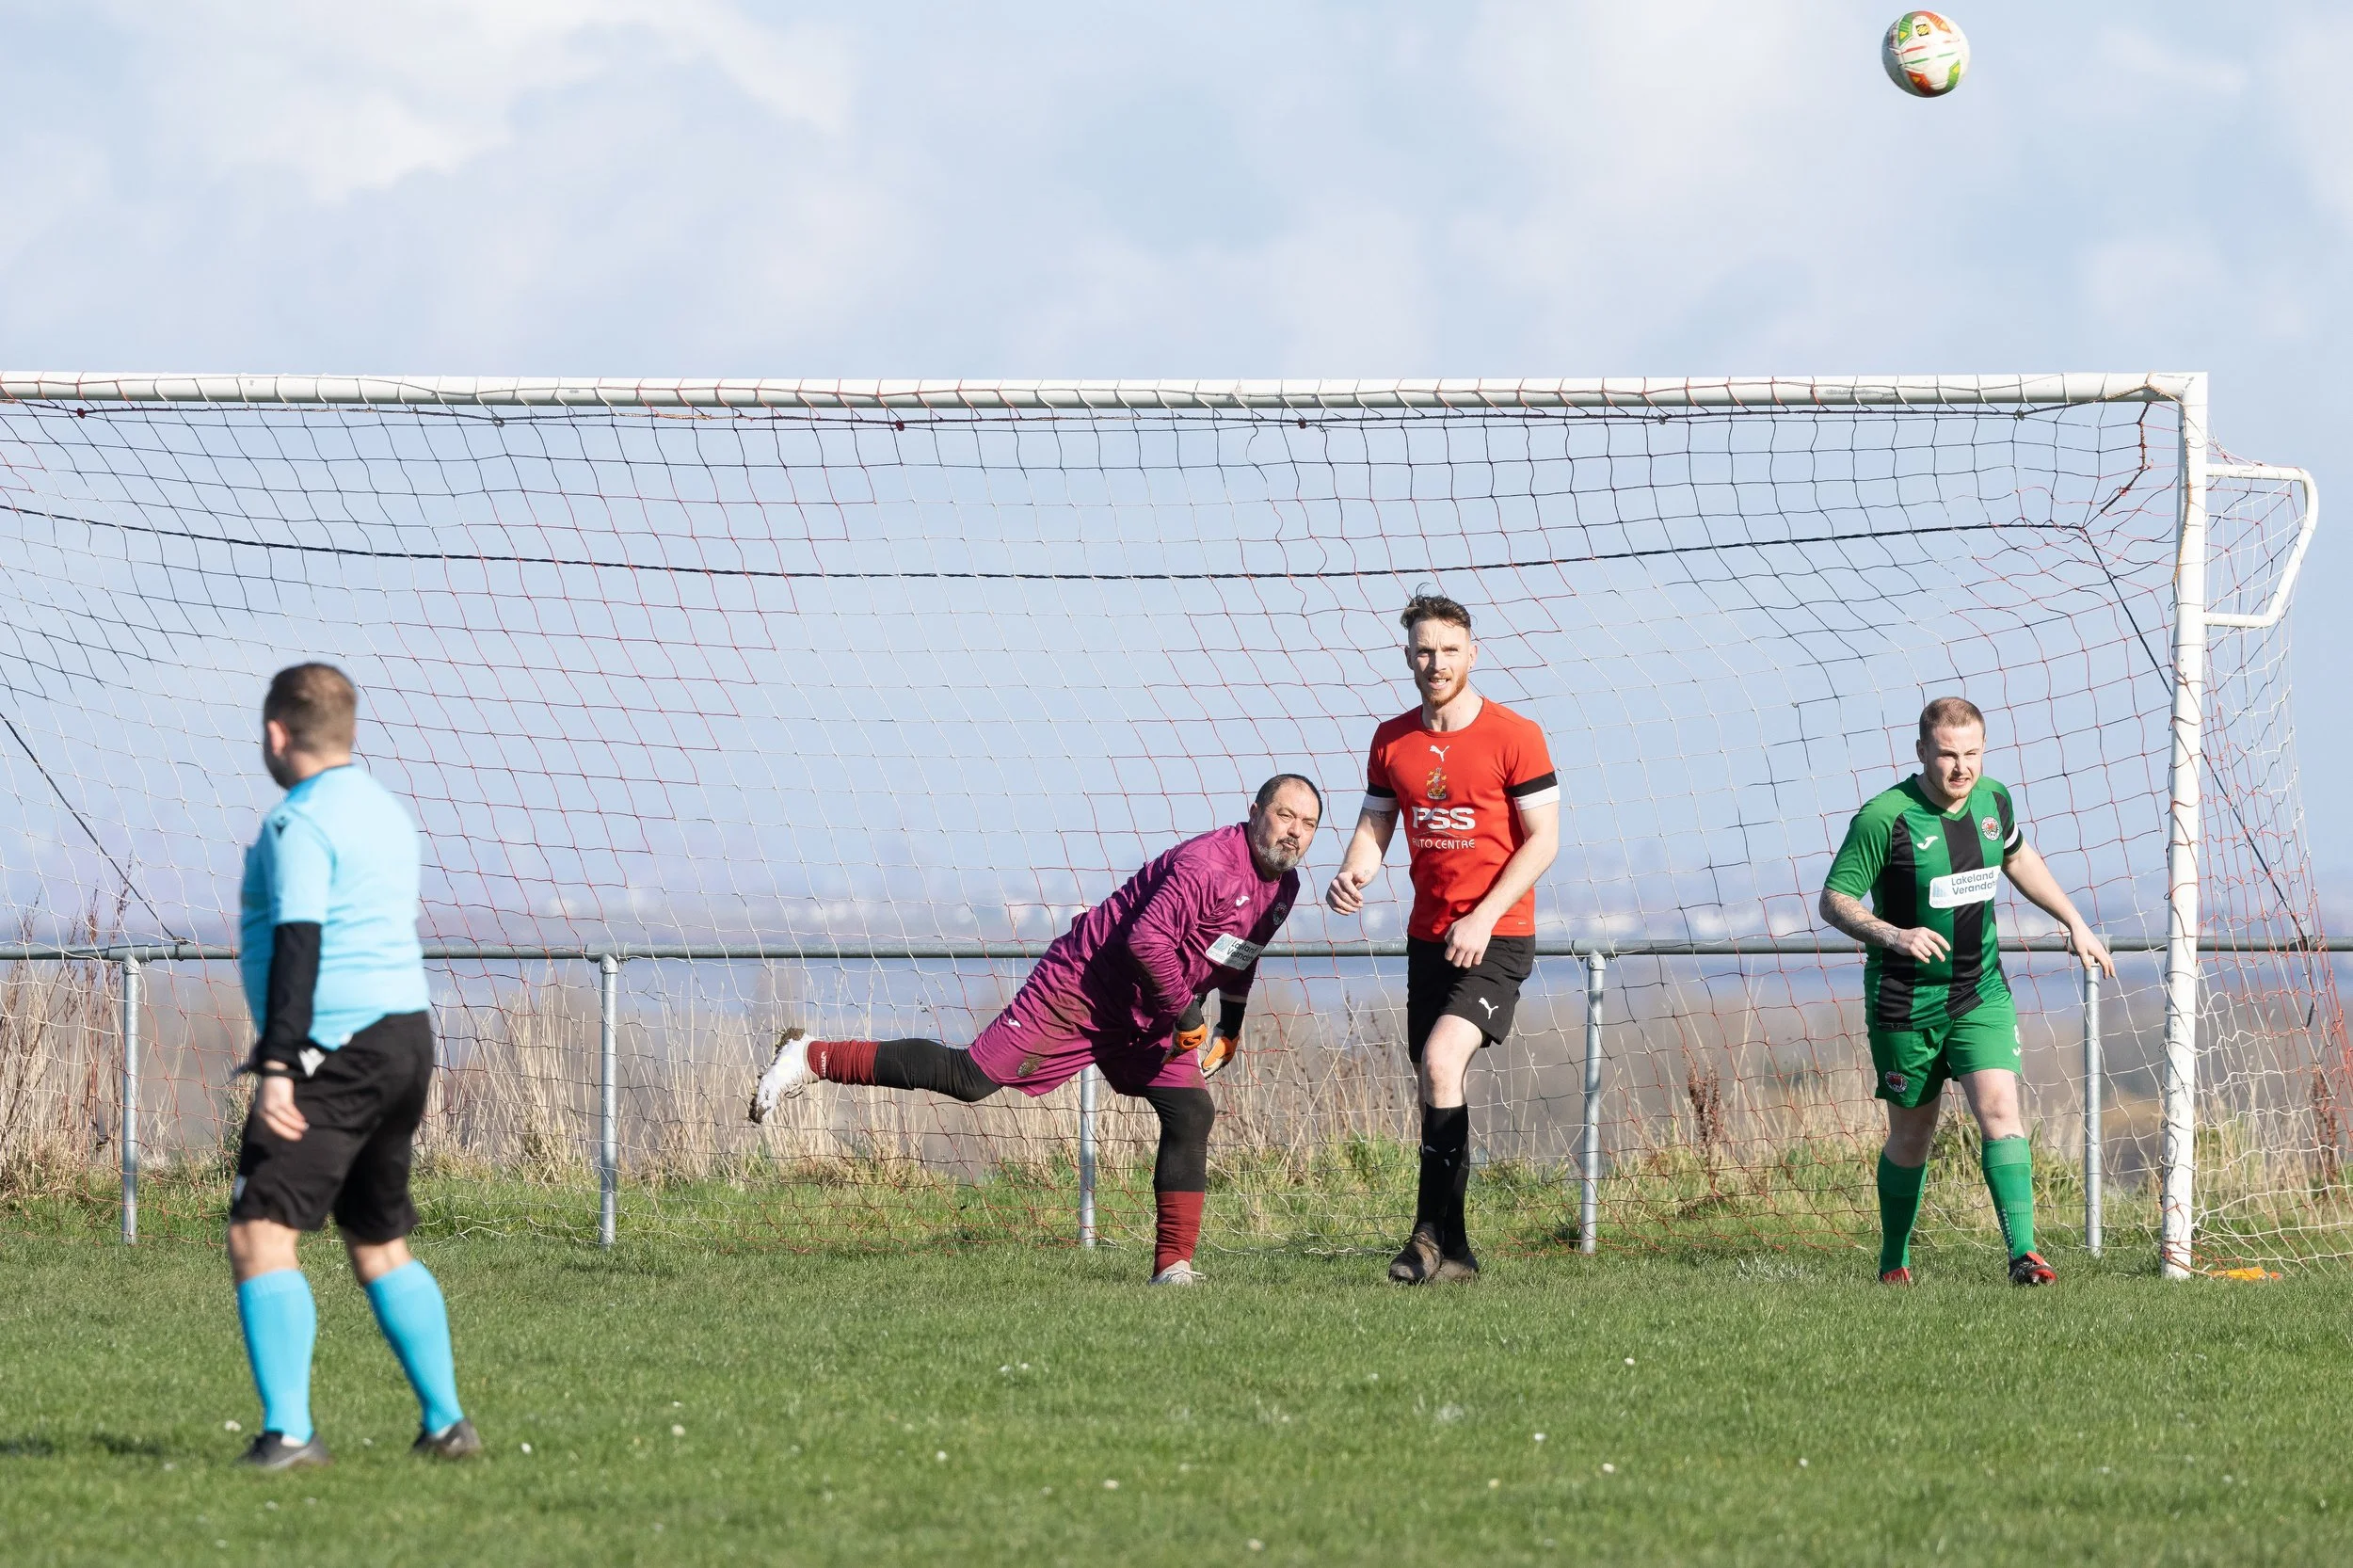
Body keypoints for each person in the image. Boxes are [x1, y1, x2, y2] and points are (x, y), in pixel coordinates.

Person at [749, 776, 1322, 1284]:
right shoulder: (1208, 865)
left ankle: (1173, 1268)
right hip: (1083, 987)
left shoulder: (1285, 889)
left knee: (1191, 1110)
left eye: (1309, 823)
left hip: (1148, 1010)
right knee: (970, 1079)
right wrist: (1189, 1013)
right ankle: (809, 1056)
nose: (1294, 831)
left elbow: (1239, 956)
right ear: (1254, 812)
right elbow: (1147, 940)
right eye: (1285, 815)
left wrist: (1233, 1026)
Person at [226, 663, 479, 1469]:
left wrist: (278, 1063)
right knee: (377, 1241)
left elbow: (301, 939)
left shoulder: (298, 822)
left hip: (331, 1050)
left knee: (260, 1233)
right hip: (405, 1039)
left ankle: (291, 1435)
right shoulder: (384, 812)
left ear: (276, 733)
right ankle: (446, 1425)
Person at [1818, 696, 2116, 1286]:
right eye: (1948, 755)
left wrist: (2073, 920)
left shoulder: (1993, 800)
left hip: (1980, 991)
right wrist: (1894, 935)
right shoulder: (1884, 818)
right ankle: (1893, 1262)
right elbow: (1834, 901)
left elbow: (2016, 856)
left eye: (1972, 754)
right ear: (1922, 751)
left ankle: (2024, 1256)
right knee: (1912, 1135)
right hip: (1905, 1000)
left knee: (2001, 1111)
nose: (1962, 768)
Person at [1324, 594, 1560, 1283]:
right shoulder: (1391, 739)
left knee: (1439, 1059)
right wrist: (1352, 873)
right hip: (1428, 938)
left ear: (1472, 654)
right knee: (1435, 1081)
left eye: (1449, 651)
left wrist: (1485, 915)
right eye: (1424, 651)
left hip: (1498, 936)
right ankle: (1455, 1254)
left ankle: (1425, 1238)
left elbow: (1543, 841)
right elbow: (1376, 826)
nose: (1436, 663)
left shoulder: (1516, 735)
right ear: (1408, 656)